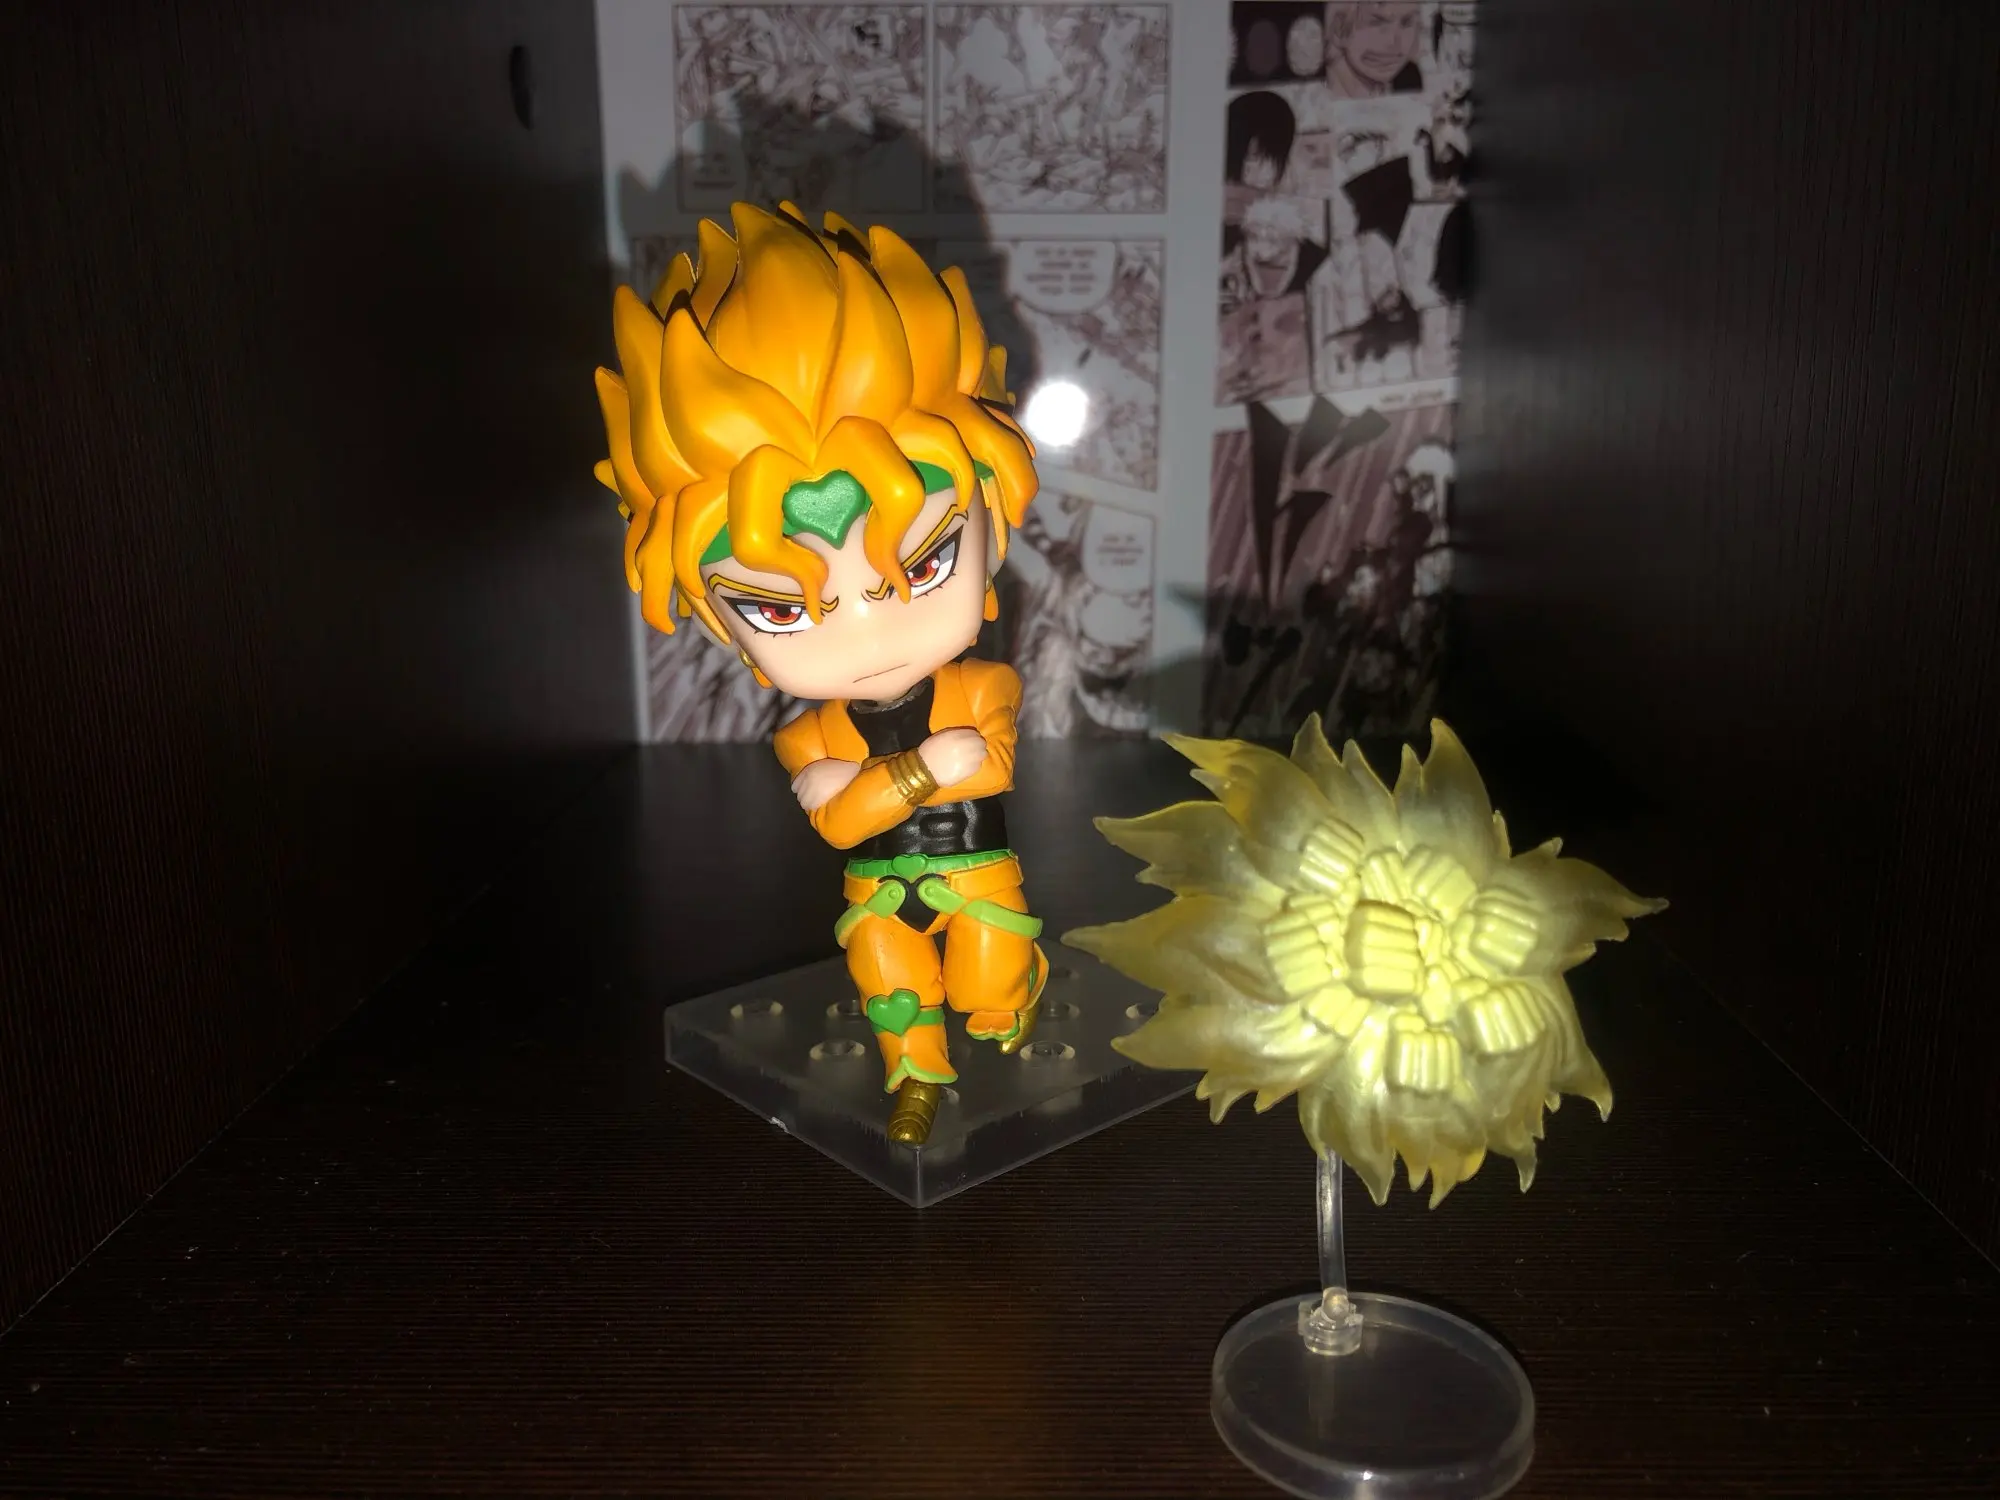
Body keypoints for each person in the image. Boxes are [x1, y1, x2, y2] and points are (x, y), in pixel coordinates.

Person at [593, 203, 1049, 1146]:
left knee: (989, 979)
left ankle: (1015, 995)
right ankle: (914, 1080)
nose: (869, 635)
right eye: (782, 608)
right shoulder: (806, 733)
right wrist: (918, 772)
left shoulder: (984, 687)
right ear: (720, 622)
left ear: (992, 527)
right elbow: (844, 821)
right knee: (891, 990)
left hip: (979, 877)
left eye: (925, 562)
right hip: (876, 895)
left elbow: (986, 768)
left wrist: (871, 785)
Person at [1325, 2, 1425, 99]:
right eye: (1377, 23)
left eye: (1407, 22)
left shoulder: (1410, 80)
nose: (1393, 42)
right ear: (1339, 29)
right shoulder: (1321, 93)